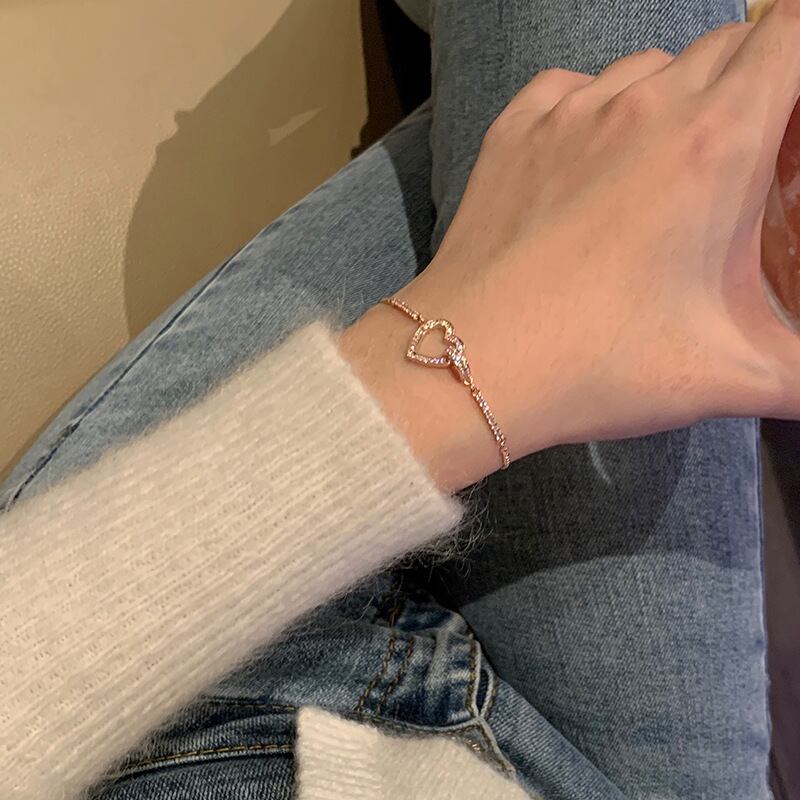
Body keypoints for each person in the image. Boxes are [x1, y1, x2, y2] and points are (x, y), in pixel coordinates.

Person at [0, 0, 793, 797]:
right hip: (567, 773)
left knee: (633, 138)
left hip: (135, 655)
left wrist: (443, 365)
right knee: (647, 122)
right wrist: (467, 366)